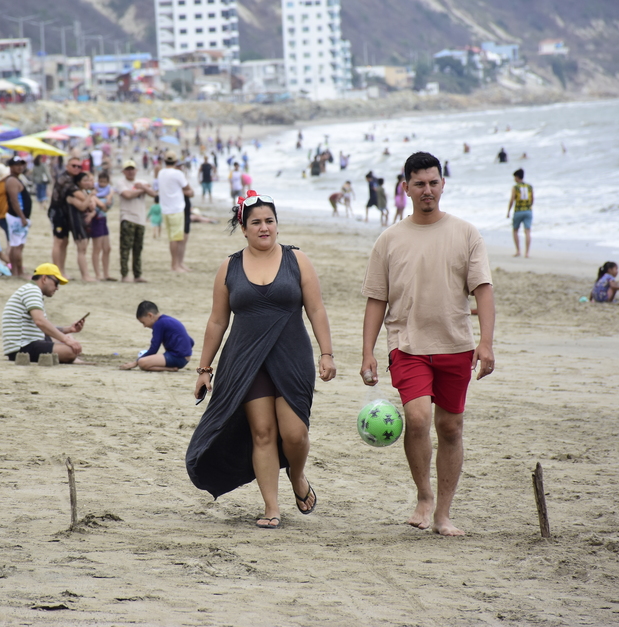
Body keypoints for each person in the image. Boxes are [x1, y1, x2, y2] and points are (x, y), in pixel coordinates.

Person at [360, 152, 495, 536]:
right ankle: (424, 496)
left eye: (433, 182)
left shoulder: (466, 234)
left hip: (456, 345)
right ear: (406, 188)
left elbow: (482, 290)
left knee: (451, 428)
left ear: (443, 184)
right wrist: (368, 351)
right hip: (407, 344)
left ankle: (443, 514)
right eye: (419, 184)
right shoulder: (390, 239)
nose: (427, 190)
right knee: (417, 419)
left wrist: (486, 342)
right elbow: (376, 299)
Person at [187, 190, 336, 529]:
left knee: (295, 433)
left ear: (277, 225)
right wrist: (204, 369)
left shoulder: (297, 260)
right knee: (263, 433)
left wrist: (326, 353)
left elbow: (315, 309)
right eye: (256, 222)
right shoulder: (230, 266)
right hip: (245, 361)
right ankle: (272, 507)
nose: (264, 227)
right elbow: (217, 321)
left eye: (269, 221)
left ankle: (296, 476)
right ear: (244, 228)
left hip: (292, 356)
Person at [1, 263, 85, 363]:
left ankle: (72, 357)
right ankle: (72, 358)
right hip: (22, 348)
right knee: (71, 350)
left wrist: (69, 329)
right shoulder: (32, 290)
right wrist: (65, 340)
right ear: (44, 279)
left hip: (26, 343)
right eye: (56, 283)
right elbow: (40, 322)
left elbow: (42, 328)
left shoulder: (30, 289)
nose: (57, 288)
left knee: (69, 339)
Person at [119, 300, 194, 371]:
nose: (144, 326)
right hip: (185, 357)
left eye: (143, 322)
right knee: (144, 361)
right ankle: (171, 365)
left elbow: (154, 349)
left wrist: (135, 362)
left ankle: (170, 369)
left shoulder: (159, 324)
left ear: (150, 316)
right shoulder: (169, 320)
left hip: (177, 358)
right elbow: (191, 341)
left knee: (142, 363)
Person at [157, 151, 193, 273]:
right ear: (176, 161)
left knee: (175, 237)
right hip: (176, 208)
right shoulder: (177, 173)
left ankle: (178, 264)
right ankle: (175, 265)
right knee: (175, 238)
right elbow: (188, 188)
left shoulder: (161, 172)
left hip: (166, 208)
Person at [117, 160, 152, 283]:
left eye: (132, 169)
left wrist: (142, 187)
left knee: (138, 248)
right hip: (127, 218)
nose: (130, 171)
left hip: (140, 219)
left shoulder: (142, 182)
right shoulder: (121, 182)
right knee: (125, 248)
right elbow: (127, 195)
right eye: (128, 169)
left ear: (136, 170)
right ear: (123, 171)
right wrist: (143, 190)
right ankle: (125, 275)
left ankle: (137, 275)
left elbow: (153, 193)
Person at [49, 157, 85, 276]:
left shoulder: (73, 179)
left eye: (79, 166)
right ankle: (57, 272)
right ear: (67, 166)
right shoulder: (65, 179)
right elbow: (81, 196)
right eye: (73, 166)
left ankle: (61, 270)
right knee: (58, 241)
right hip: (58, 213)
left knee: (64, 241)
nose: (76, 168)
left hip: (66, 214)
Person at [4, 157, 32, 279]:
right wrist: (22, 217)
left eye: (21, 164)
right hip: (17, 218)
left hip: (18, 217)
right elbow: (14, 201)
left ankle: (16, 272)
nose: (20, 167)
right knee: (17, 246)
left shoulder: (16, 179)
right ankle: (18, 272)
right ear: (10, 167)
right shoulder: (12, 181)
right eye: (17, 165)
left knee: (17, 245)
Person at [90, 171, 114, 281]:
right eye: (100, 181)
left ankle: (106, 273)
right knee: (97, 248)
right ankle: (98, 274)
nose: (102, 184)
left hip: (103, 219)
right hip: (96, 219)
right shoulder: (93, 190)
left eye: (104, 182)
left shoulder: (109, 190)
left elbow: (108, 205)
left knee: (107, 248)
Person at [507, 168, 534, 258]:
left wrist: (508, 211)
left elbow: (512, 200)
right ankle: (527, 253)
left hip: (518, 211)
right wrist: (528, 207)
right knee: (528, 231)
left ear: (517, 177)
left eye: (515, 177)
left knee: (515, 230)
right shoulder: (529, 187)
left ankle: (518, 251)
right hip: (528, 210)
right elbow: (532, 199)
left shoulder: (515, 187)